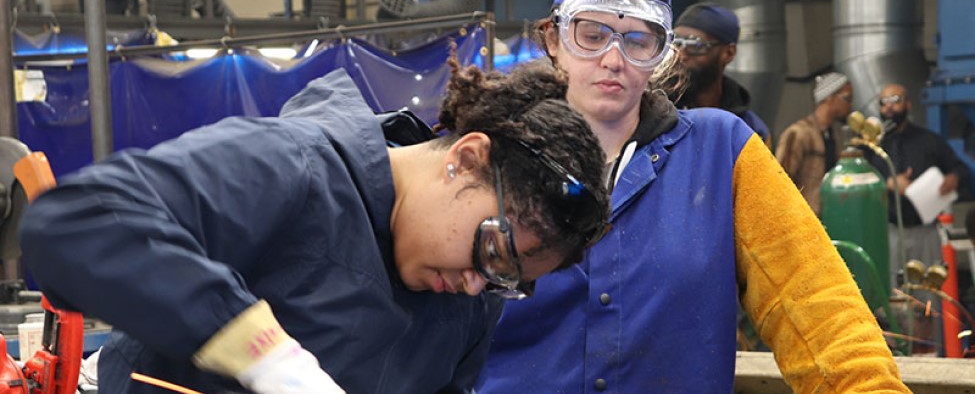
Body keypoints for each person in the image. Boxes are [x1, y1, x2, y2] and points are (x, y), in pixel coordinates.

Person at [17, 60, 612, 393]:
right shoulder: (290, 167)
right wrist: (268, 358)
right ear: (468, 157)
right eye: (494, 252)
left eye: (510, 280)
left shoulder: (467, 303)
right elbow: (76, 223)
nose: (481, 285)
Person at [475, 0, 908, 392]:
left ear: (662, 53)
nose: (612, 59)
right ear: (553, 38)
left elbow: (821, 314)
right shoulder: (490, 155)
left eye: (639, 40)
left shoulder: (723, 152)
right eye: (592, 34)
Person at [866, 83, 968, 286]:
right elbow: (860, 181)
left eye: (895, 100)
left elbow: (960, 169)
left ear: (908, 104)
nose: (889, 107)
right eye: (883, 102)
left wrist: (953, 178)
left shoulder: (929, 140)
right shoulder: (872, 146)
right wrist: (889, 183)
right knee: (896, 294)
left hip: (926, 231)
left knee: (929, 291)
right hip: (890, 231)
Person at [672, 2, 772, 146]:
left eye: (695, 45)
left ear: (728, 53)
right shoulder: (656, 115)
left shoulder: (751, 131)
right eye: (676, 43)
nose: (681, 55)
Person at [775, 71, 854, 215]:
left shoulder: (833, 135)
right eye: (847, 98)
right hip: (803, 221)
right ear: (830, 98)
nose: (850, 104)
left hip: (828, 218)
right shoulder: (799, 133)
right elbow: (779, 182)